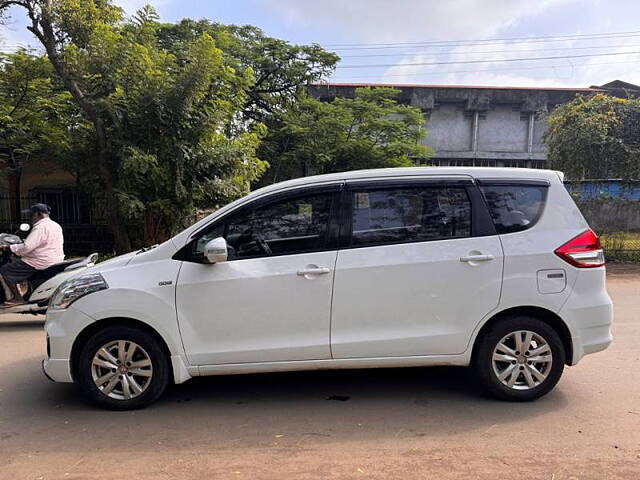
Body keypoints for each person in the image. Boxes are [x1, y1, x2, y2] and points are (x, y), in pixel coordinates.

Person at [0, 204, 64, 307]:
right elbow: (42, 243)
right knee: (17, 264)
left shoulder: (40, 227)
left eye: (31, 215)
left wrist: (9, 248)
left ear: (38, 214)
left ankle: (18, 298)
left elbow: (26, 247)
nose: (30, 217)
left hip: (40, 261)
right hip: (54, 259)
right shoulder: (55, 225)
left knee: (5, 270)